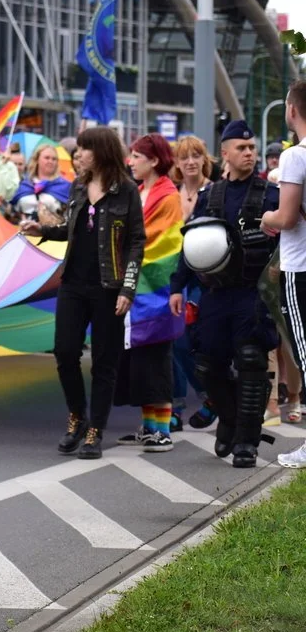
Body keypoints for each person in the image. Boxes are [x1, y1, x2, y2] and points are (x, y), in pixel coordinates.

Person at [21, 126, 145, 459]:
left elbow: (136, 242)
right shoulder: (77, 186)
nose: (78, 155)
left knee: (105, 362)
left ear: (101, 151)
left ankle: (95, 430)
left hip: (109, 287)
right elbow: (72, 228)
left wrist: (128, 289)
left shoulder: (127, 191)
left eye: (84, 149)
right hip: (73, 283)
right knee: (64, 352)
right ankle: (77, 415)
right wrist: (43, 230)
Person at [169, 120, 280, 468]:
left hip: (253, 293)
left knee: (250, 359)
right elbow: (194, 243)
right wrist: (177, 286)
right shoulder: (210, 196)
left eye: (252, 148)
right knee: (207, 363)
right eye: (242, 148)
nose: (249, 153)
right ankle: (230, 421)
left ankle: (247, 441)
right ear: (225, 153)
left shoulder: (271, 195)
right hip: (215, 293)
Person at [114, 134, 182, 452]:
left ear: (154, 160)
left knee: (156, 357)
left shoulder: (168, 196)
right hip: (139, 287)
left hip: (158, 289)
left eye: (137, 156)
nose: (131, 161)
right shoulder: (141, 192)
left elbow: (162, 242)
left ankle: (163, 430)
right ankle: (149, 427)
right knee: (141, 358)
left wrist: (125, 246)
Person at [260, 82, 306, 467]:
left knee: (305, 354)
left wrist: (266, 218)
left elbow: (287, 217)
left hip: (301, 266)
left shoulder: (295, 157)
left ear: (291, 110)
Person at [169, 136, 215, 430]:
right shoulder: (171, 195)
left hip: (204, 277)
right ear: (176, 162)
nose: (190, 161)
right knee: (174, 340)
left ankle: (209, 395)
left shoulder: (214, 192)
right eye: (184, 157)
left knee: (189, 340)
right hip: (174, 274)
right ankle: (175, 407)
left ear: (204, 159)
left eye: (195, 155)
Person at [10, 144, 72, 224]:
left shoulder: (64, 186)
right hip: (24, 231)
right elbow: (13, 211)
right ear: (37, 160)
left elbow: (69, 215)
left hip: (52, 233)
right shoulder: (24, 184)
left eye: (54, 159)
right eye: (47, 158)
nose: (50, 161)